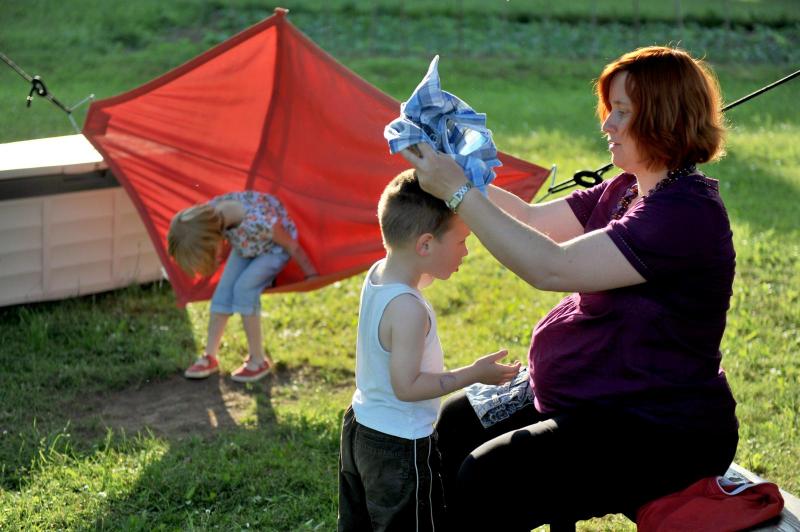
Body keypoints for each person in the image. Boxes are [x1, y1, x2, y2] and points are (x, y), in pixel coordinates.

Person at [400, 46, 739, 529]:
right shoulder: (626, 186)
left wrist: (457, 190)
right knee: (453, 425)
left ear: (663, 119)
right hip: (596, 397)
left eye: (623, 113)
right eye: (610, 110)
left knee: (487, 477)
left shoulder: (685, 214)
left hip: (660, 429)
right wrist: (453, 167)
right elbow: (532, 219)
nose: (607, 125)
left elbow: (551, 268)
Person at [337, 169, 520, 531]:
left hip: (360, 427)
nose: (467, 251)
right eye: (462, 241)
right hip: (399, 445)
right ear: (424, 245)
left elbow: (422, 270)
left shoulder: (381, 273)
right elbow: (407, 387)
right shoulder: (408, 309)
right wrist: (474, 373)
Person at [167, 191, 317, 383]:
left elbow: (291, 245)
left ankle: (258, 360)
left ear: (213, 240)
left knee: (244, 289)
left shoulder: (260, 221)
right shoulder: (210, 217)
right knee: (222, 293)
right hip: (246, 245)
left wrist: (311, 274)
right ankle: (210, 356)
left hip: (272, 250)